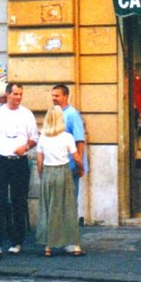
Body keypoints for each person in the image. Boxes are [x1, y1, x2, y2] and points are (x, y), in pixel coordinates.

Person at [0, 82, 37, 259]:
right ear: (7, 95)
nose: (18, 97)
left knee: (18, 202)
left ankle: (16, 241)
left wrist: (26, 146)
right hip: (0, 161)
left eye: (21, 94)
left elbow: (34, 138)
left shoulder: (27, 114)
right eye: (15, 94)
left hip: (19, 162)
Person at [35, 105, 84, 257]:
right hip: (63, 172)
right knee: (68, 208)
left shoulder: (43, 137)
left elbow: (39, 161)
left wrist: (42, 175)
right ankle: (75, 246)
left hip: (48, 173)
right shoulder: (67, 137)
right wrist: (81, 168)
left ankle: (48, 246)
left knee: (48, 209)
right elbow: (76, 158)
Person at [51, 84, 87, 213]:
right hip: (57, 165)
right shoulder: (54, 113)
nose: (54, 98)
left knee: (69, 201)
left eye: (57, 95)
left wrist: (79, 164)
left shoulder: (72, 114)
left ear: (66, 96)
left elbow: (80, 140)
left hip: (70, 165)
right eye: (53, 95)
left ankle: (69, 230)